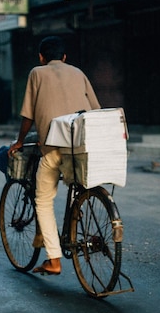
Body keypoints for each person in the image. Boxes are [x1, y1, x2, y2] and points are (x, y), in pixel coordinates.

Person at [8, 36, 101, 275]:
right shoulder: (79, 73)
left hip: (52, 147)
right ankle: (76, 213)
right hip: (80, 145)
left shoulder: (36, 73)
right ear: (65, 57)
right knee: (77, 181)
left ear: (41, 57)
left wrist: (20, 141)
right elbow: (96, 110)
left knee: (43, 200)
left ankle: (54, 259)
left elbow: (28, 115)